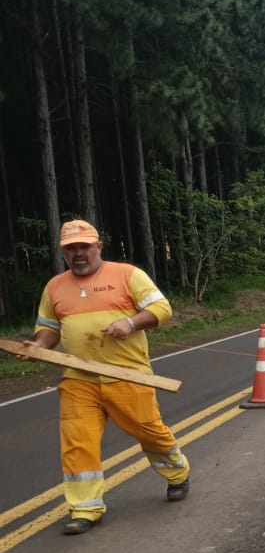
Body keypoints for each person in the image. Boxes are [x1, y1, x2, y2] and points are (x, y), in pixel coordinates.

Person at [22, 219, 190, 535]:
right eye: (71, 248)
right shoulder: (55, 286)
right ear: (64, 252)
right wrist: (38, 346)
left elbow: (162, 308)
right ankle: (85, 509)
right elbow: (49, 329)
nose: (78, 253)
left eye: (84, 246)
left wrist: (130, 323)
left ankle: (177, 473)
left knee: (148, 431)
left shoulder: (127, 275)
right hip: (78, 379)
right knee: (77, 443)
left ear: (98, 247)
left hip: (127, 374)